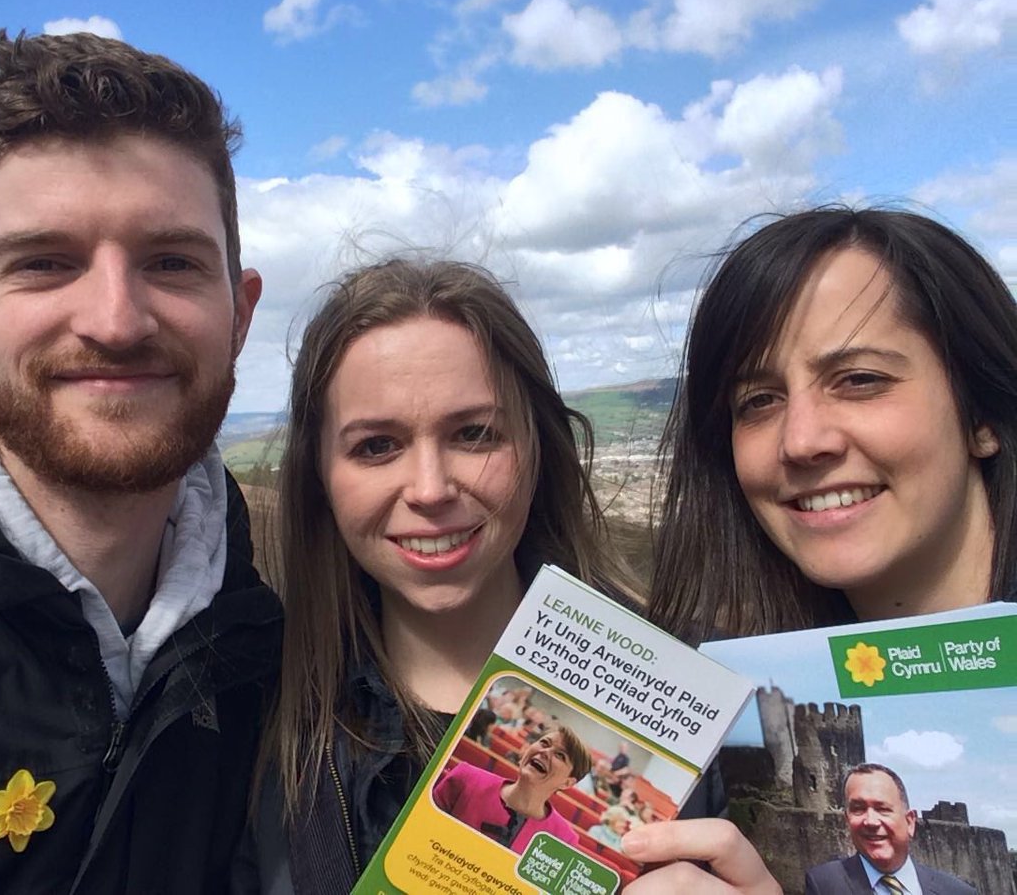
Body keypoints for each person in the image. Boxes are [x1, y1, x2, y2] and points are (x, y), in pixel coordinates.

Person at [0, 31, 279, 894]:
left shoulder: (275, 648)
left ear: (240, 314)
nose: (115, 320)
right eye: (44, 263)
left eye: (171, 261)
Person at [621, 207, 1017, 891]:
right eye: (758, 400)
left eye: (860, 379)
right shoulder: (708, 730)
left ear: (982, 414)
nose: (801, 441)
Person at [234, 258, 643, 894]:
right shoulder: (253, 736)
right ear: (320, 478)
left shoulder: (674, 702)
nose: (429, 489)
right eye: (376, 445)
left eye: (474, 434)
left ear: (538, 445)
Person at [805, 764, 977, 894]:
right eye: (858, 809)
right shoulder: (824, 885)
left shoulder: (957, 891)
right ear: (847, 821)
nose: (871, 821)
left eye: (882, 809)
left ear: (910, 822)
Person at [433, 726, 591, 852]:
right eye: (544, 743)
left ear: (567, 783)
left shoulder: (563, 840)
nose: (545, 752)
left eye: (560, 755)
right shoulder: (465, 778)